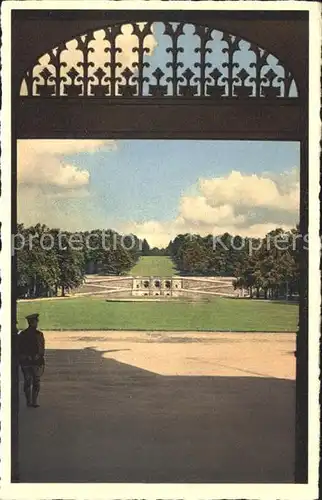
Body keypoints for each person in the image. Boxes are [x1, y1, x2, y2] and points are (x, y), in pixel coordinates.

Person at [18, 313, 45, 408]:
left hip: (30, 362)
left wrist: (38, 356)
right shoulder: (37, 334)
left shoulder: (23, 334)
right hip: (30, 361)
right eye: (36, 321)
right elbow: (20, 349)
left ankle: (31, 401)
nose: (37, 323)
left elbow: (41, 349)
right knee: (33, 381)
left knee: (30, 381)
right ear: (33, 323)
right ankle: (32, 401)